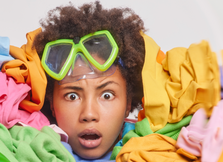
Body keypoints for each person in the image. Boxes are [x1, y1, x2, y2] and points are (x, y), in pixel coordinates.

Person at [33, 1, 146, 160]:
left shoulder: (155, 149)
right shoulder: (28, 147)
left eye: (107, 95)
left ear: (128, 104)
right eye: (72, 96)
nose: (89, 114)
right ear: (51, 104)